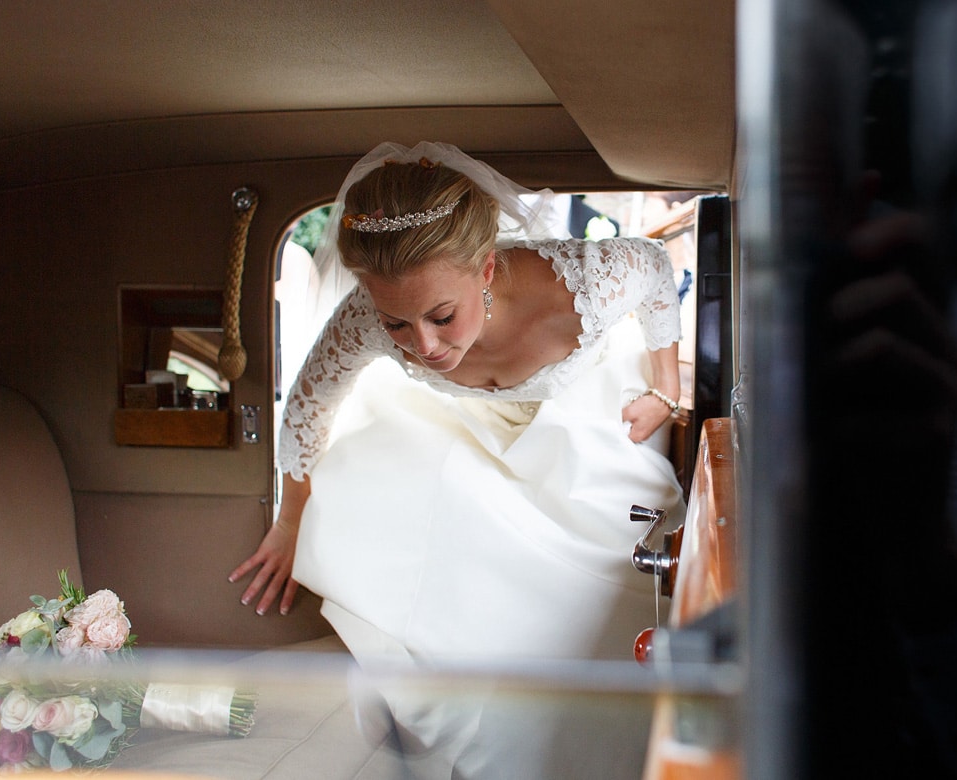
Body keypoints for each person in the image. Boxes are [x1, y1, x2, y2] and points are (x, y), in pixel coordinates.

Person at [228, 142, 686, 775]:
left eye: (443, 316)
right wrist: (289, 519)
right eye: (397, 325)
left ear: (488, 270)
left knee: (613, 574)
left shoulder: (584, 283)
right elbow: (308, 406)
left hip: (576, 418)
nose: (424, 346)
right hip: (464, 428)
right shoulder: (363, 319)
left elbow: (656, 270)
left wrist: (667, 388)